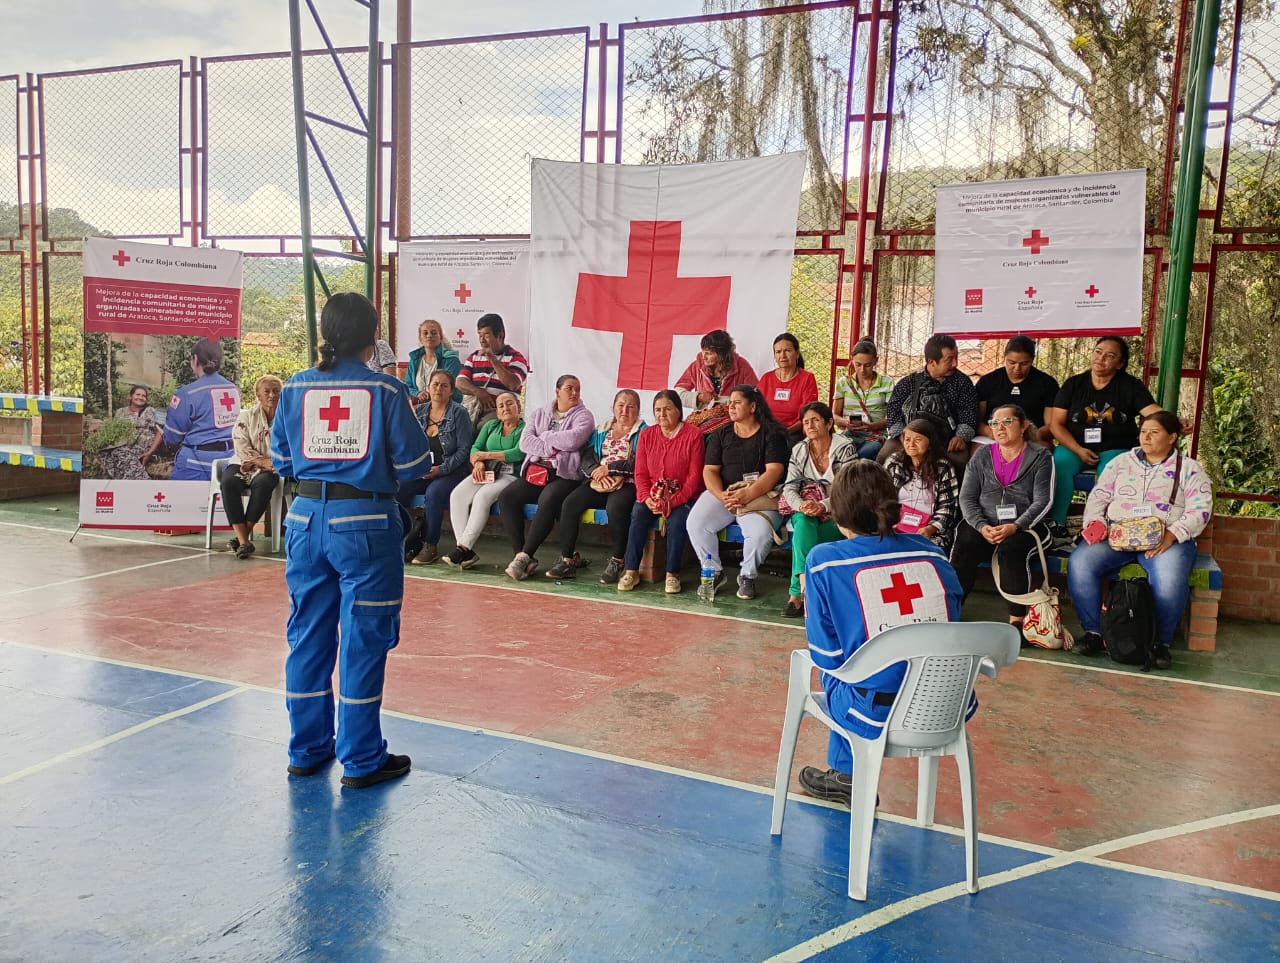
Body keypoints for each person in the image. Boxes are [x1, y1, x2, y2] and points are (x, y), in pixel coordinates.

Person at [270, 291, 432, 789]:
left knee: (307, 637)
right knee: (363, 642)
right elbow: (413, 465)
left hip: (303, 522)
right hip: (364, 525)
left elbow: (280, 460)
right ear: (374, 335)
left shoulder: (295, 387)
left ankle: (307, 749)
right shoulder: (384, 390)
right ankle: (361, 759)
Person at [796, 460, 965, 805]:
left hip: (873, 712)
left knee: (839, 671)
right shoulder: (932, 551)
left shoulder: (824, 561)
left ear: (839, 514)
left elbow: (826, 656)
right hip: (945, 706)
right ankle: (845, 774)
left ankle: (846, 775)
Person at [1068, 410, 1213, 668]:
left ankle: (1159, 644)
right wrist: (1097, 524)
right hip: (1118, 536)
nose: (1146, 437)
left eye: (1154, 432)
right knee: (1080, 563)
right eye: (1144, 431)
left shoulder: (1189, 469)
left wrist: (1172, 535)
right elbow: (1098, 497)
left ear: (1172, 437)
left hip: (1165, 540)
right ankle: (1094, 633)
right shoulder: (1121, 463)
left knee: (1168, 579)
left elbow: (1200, 510)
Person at [948, 404, 1055, 639]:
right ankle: (951, 611)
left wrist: (1015, 526)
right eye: (995, 423)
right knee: (965, 539)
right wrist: (980, 525)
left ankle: (1017, 621)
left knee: (1011, 549)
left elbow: (1043, 501)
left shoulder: (1041, 456)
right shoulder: (982, 455)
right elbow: (966, 497)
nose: (1000, 428)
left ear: (1024, 425)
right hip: (985, 523)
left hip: (1026, 526)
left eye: (1007, 422)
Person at [1044, 335, 1160, 544]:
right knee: (1059, 464)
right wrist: (1078, 450)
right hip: (1074, 447)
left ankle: (1103, 525)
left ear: (1120, 363)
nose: (1101, 358)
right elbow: (1056, 424)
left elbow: (1153, 413)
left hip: (1115, 447)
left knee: (1111, 471)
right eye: (1098, 352)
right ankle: (1057, 525)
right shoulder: (1074, 384)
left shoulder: (1130, 386)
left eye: (1110, 355)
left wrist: (1175, 421)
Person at [686, 385, 790, 601]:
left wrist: (749, 493)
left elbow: (774, 471)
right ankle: (713, 571)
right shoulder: (721, 434)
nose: (730, 406)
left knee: (759, 533)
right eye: (730, 402)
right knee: (696, 523)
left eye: (737, 402)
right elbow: (710, 471)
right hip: (726, 493)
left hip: (760, 496)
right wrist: (720, 494)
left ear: (753, 406)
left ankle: (747, 576)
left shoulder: (772, 434)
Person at [498, 374, 595, 580]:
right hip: (537, 471)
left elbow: (574, 440)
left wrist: (545, 438)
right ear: (557, 391)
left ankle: (525, 555)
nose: (575, 393)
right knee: (507, 496)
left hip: (565, 475)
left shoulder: (584, 416)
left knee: (548, 499)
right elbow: (525, 443)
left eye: (578, 389)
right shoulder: (539, 413)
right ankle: (521, 555)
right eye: (569, 388)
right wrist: (552, 446)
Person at [547, 389, 646, 583]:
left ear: (638, 411)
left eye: (631, 407)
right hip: (599, 480)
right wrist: (595, 472)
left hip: (628, 482)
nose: (624, 411)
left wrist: (610, 468)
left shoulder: (644, 432)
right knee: (570, 503)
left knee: (615, 507)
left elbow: (641, 463)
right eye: (620, 405)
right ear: (613, 407)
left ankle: (618, 559)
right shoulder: (602, 429)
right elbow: (587, 457)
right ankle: (568, 560)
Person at [618, 390, 706, 594]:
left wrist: (673, 501)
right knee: (638, 514)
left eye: (667, 409)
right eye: (657, 410)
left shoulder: (693, 435)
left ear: (678, 411)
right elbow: (640, 473)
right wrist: (646, 498)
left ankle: (672, 574)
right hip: (653, 495)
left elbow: (694, 479)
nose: (662, 414)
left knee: (677, 522)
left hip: (683, 496)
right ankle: (631, 571)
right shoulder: (647, 435)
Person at [780, 402, 858, 618]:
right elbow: (790, 486)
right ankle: (802, 594)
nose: (810, 425)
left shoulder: (844, 447)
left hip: (838, 512)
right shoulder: (799, 449)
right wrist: (802, 505)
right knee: (804, 523)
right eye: (806, 422)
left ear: (829, 423)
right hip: (808, 511)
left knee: (804, 539)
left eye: (815, 420)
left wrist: (823, 505)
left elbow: (849, 488)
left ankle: (797, 594)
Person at [397, 370, 473, 565]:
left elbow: (464, 451)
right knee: (399, 488)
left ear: (451, 391)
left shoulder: (459, 413)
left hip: (452, 471)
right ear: (428, 388)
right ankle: (398, 538)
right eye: (435, 384)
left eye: (444, 385)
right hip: (422, 469)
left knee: (434, 494)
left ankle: (430, 545)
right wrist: (415, 466)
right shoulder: (419, 411)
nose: (438, 389)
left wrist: (441, 469)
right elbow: (408, 442)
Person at [442, 391, 525, 570]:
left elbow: (519, 452)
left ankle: (463, 547)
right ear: (497, 411)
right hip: (486, 472)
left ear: (518, 406)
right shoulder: (491, 426)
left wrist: (486, 455)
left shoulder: (524, 428)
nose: (505, 408)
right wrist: (478, 462)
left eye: (510, 403)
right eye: (501, 405)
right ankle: (464, 550)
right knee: (457, 495)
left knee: (482, 497)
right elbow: (475, 448)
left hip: (509, 476)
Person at [878, 333, 978, 468]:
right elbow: (893, 412)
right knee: (886, 456)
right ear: (931, 361)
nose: (955, 363)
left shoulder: (963, 383)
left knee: (958, 462)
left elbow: (969, 414)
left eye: (956, 357)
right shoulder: (909, 382)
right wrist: (903, 437)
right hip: (909, 437)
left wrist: (961, 437)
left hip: (947, 440)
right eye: (949, 359)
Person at [220, 375, 283, 560]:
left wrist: (273, 464)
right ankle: (244, 541)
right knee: (229, 482)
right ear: (258, 394)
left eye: (276, 391)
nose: (272, 395)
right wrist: (262, 461)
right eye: (267, 391)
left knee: (263, 484)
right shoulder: (246, 416)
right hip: (245, 463)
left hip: (272, 468)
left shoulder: (287, 418)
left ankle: (241, 540)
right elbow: (241, 445)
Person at [162, 337, 241, 481]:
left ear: (195, 359)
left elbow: (172, 437)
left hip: (195, 465)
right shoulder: (232, 389)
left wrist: (165, 434)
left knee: (179, 501)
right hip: (229, 462)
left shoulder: (186, 393)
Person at [882, 418, 962, 554]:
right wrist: (890, 523)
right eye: (907, 439)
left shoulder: (943, 467)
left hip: (930, 530)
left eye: (918, 439)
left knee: (928, 551)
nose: (911, 444)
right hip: (895, 525)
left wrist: (930, 529)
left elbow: (948, 506)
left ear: (930, 443)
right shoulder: (894, 463)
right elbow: (882, 499)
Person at [974, 335, 1059, 445]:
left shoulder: (1047, 383)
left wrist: (1028, 436)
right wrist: (988, 431)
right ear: (1004, 357)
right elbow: (976, 420)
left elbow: (1052, 425)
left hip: (1032, 438)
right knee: (979, 453)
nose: (1017, 368)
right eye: (1011, 362)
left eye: (1024, 363)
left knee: (1041, 452)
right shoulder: (988, 381)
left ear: (1032, 359)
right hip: (993, 438)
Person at [455, 313, 530, 428]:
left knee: (486, 426)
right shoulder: (474, 356)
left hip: (499, 410)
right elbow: (460, 382)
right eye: (479, 335)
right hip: (473, 407)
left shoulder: (516, 358)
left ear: (500, 336)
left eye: (486, 335)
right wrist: (478, 392)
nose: (482, 340)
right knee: (456, 424)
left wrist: (493, 360)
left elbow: (512, 384)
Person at [832, 339, 894, 460]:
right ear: (852, 360)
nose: (862, 370)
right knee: (841, 450)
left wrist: (872, 426)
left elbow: (892, 417)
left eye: (868, 365)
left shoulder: (887, 383)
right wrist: (846, 423)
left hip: (875, 434)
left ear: (876, 360)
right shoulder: (844, 383)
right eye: (858, 364)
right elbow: (834, 415)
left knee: (864, 454)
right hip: (850, 433)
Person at [675, 329, 758, 410]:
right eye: (703, 351)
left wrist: (724, 401)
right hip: (703, 419)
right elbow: (677, 395)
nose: (704, 357)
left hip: (733, 419)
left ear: (722, 355)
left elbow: (756, 396)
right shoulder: (697, 366)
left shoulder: (741, 366)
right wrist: (699, 397)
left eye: (709, 353)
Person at [755, 333, 819, 438]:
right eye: (778, 352)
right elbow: (756, 408)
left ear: (797, 353)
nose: (782, 356)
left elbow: (808, 414)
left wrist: (785, 432)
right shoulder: (767, 378)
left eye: (787, 351)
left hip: (793, 433)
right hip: (766, 431)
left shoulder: (807, 378)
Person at [101, 384, 163, 480]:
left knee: (120, 453)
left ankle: (145, 482)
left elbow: (160, 432)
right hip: (122, 446)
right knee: (107, 454)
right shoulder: (120, 412)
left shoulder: (150, 411)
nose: (141, 397)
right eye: (137, 394)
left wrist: (149, 452)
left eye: (143, 396)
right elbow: (113, 431)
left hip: (140, 448)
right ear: (130, 396)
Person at [403, 318, 461, 405]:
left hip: (447, 407)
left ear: (440, 337)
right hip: (420, 408)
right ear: (420, 338)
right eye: (425, 333)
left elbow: (449, 387)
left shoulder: (451, 359)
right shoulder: (414, 360)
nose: (429, 336)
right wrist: (418, 393)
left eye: (434, 333)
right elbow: (407, 386)